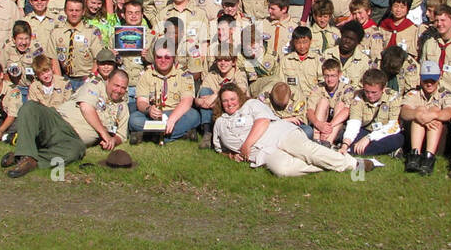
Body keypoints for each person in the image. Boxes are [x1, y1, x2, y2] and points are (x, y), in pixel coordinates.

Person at [213, 82, 367, 177]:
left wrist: (246, 145)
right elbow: (219, 149)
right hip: (263, 153)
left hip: (279, 134)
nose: (229, 103)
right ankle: (327, 163)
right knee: (283, 170)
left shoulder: (251, 104)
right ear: (220, 102)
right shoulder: (219, 124)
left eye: (232, 99)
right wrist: (231, 156)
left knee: (308, 152)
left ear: (239, 98)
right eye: (225, 100)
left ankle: (354, 164)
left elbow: (263, 121)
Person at [3, 69, 132, 178]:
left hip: (73, 139)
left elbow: (121, 135)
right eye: (116, 85)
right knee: (30, 107)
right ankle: (25, 154)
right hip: (58, 121)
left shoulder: (123, 108)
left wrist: (113, 141)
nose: (119, 90)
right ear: (108, 81)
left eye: (123, 88)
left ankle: (29, 161)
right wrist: (104, 134)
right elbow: (86, 108)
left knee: (75, 152)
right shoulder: (95, 86)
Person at [130, 42, 198, 143]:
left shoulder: (184, 73)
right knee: (134, 119)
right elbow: (141, 102)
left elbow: (187, 101)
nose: (163, 60)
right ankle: (179, 134)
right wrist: (149, 109)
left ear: (173, 58)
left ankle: (150, 136)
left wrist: (172, 119)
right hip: (154, 116)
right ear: (154, 57)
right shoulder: (146, 74)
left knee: (194, 116)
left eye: (167, 57)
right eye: (159, 57)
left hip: (176, 113)